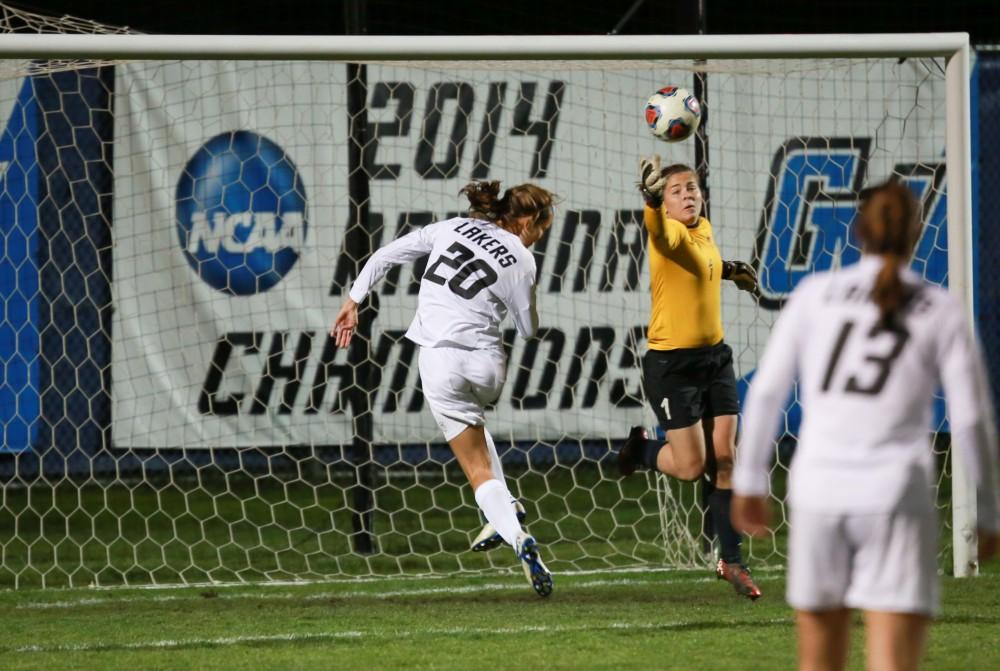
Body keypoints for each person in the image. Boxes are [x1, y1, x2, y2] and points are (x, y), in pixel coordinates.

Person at [731, 180, 1000, 670]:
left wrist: (749, 482)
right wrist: (990, 514)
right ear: (917, 234)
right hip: (895, 493)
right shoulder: (940, 308)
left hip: (818, 489)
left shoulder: (815, 294)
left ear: (857, 232)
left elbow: (767, 393)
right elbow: (970, 418)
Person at [331, 180, 556, 597]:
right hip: (488, 366)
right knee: (476, 430)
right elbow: (529, 329)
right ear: (527, 221)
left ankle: (516, 534)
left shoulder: (452, 227)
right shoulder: (523, 260)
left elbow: (385, 255)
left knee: (476, 469)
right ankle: (506, 513)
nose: (542, 234)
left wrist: (353, 299)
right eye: (543, 227)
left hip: (440, 361)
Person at [615, 155, 762, 599]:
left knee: (727, 459)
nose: (688, 194)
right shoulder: (669, 233)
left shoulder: (704, 229)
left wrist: (733, 271)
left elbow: (706, 267)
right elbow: (661, 233)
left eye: (692, 187)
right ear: (665, 201)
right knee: (692, 465)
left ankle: (731, 562)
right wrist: (648, 199)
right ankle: (642, 450)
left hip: (715, 359)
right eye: (676, 190)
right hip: (672, 366)